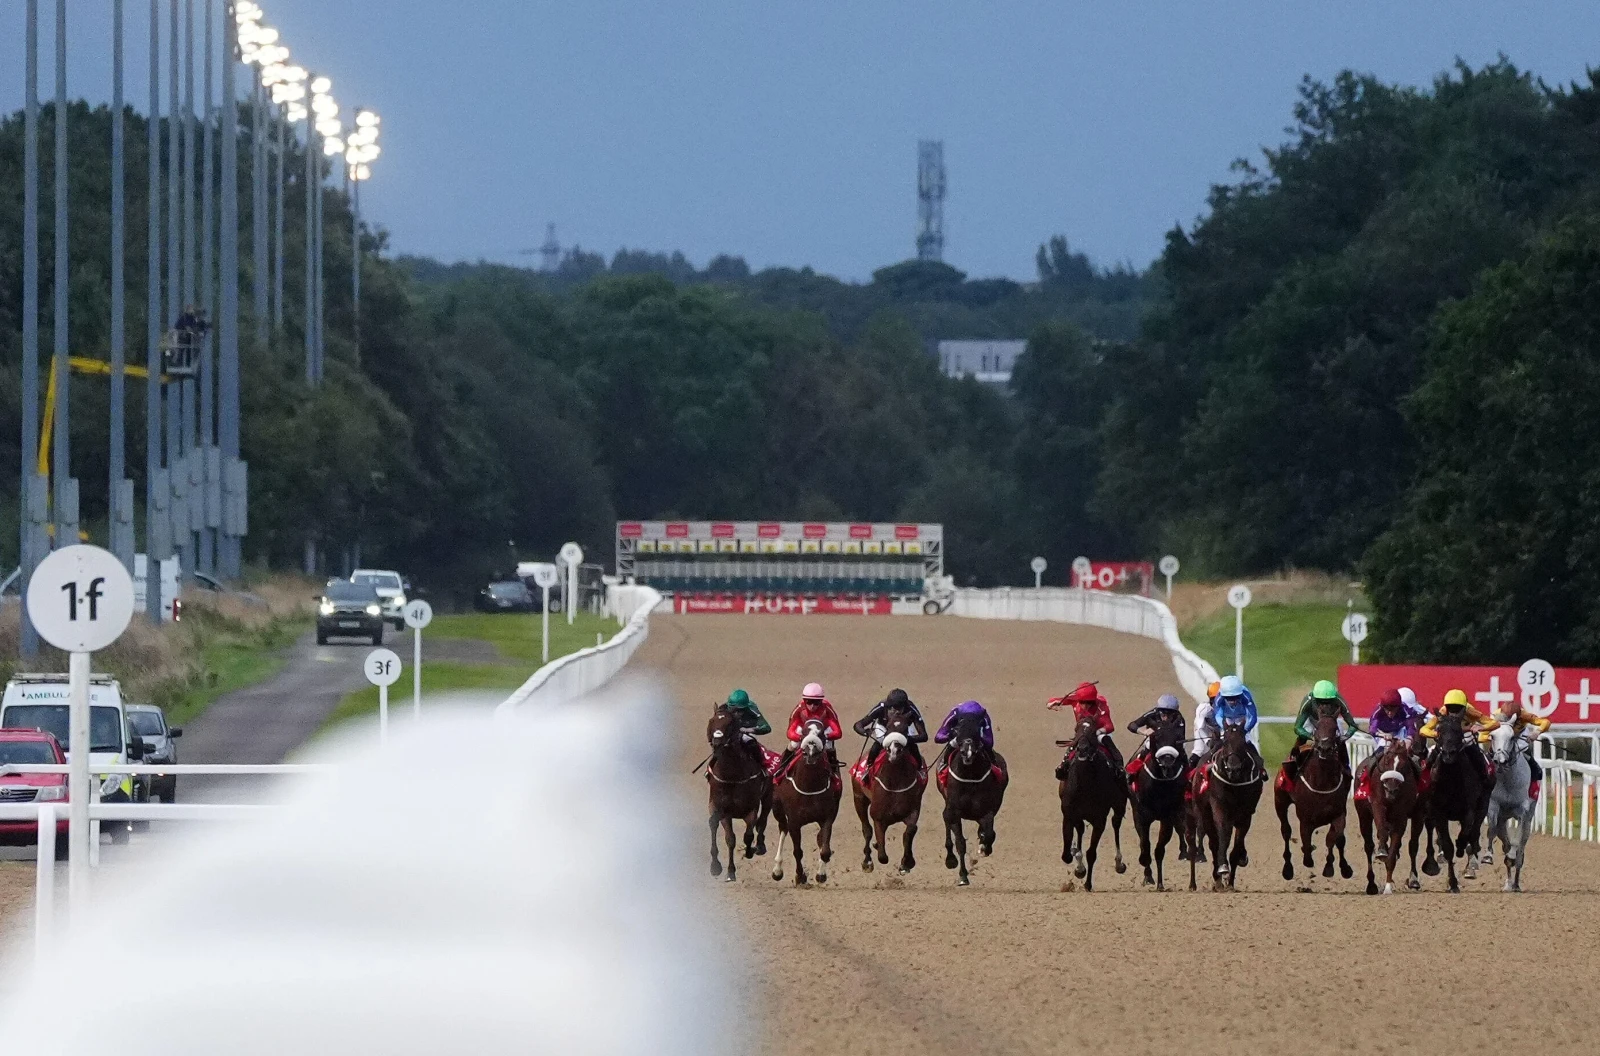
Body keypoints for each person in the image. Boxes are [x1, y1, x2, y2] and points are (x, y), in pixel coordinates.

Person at [1419, 689, 1498, 784]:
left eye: (1458, 709)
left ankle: (1484, 779)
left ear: (1464, 708)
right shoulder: (1443, 711)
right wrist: (1437, 734)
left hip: (1466, 738)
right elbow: (1423, 730)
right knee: (1434, 754)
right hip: (1448, 738)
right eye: (1451, 709)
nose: (1454, 713)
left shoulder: (1471, 711)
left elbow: (1495, 723)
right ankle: (1424, 780)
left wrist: (1481, 727)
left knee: (1476, 755)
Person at [1048, 681, 1123, 780]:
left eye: (1089, 702)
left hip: (1100, 732)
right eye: (1082, 702)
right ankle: (1063, 766)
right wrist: (1052, 703)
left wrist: (1096, 732)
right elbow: (1055, 700)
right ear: (1079, 699)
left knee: (1108, 743)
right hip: (1083, 732)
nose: (1085, 705)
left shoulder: (1101, 707)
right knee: (1072, 748)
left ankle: (1120, 768)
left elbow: (1109, 726)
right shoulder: (1075, 699)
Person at [1284, 680, 1360, 778]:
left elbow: (1353, 725)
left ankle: (1345, 768)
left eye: (1329, 701)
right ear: (1315, 698)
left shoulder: (1339, 700)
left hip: (1331, 722)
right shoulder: (1308, 701)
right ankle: (1292, 762)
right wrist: (1311, 736)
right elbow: (1298, 727)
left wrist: (1345, 737)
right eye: (1320, 701)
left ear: (1334, 698)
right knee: (1302, 737)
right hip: (1312, 721)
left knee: (1339, 739)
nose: (1325, 705)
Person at [1487, 697, 1551, 797]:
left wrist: (1536, 732)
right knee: (1491, 753)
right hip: (1503, 738)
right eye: (1506, 718)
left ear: (1518, 716)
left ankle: (1533, 791)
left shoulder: (1525, 715)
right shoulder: (1495, 716)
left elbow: (1546, 722)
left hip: (1519, 736)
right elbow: (1485, 732)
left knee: (1535, 767)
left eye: (1512, 719)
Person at [776, 682, 843, 775]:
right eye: (809, 702)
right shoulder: (799, 709)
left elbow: (838, 732)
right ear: (804, 700)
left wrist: (825, 736)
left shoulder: (827, 708)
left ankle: (834, 770)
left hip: (821, 733)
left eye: (816, 703)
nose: (812, 706)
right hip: (804, 732)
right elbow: (790, 732)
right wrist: (800, 737)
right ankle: (781, 767)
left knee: (828, 745)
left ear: (821, 701)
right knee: (794, 744)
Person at [1208, 675, 1265, 781]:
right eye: (1229, 698)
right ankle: (1209, 763)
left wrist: (1244, 730)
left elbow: (1252, 716)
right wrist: (1225, 728)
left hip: (1242, 719)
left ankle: (1260, 768)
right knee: (1222, 741)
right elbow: (1218, 715)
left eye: (1235, 697)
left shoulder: (1246, 696)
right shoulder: (1219, 697)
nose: (1232, 701)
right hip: (1227, 719)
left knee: (1247, 742)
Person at [853, 688, 928, 769]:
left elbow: (924, 736)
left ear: (905, 706)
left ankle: (920, 769)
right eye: (892, 708)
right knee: (876, 747)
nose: (895, 711)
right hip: (884, 729)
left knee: (913, 748)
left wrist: (906, 739)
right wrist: (864, 732)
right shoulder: (881, 707)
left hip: (904, 730)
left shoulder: (911, 709)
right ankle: (868, 767)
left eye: (899, 709)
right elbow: (859, 724)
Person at [721, 688, 781, 776]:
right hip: (728, 734)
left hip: (742, 734)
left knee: (751, 743)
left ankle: (761, 767)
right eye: (734, 710)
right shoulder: (722, 710)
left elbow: (766, 727)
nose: (737, 713)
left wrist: (748, 730)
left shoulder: (752, 709)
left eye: (740, 710)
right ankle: (711, 768)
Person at [1125, 694, 1187, 778]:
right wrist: (1144, 732)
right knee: (1146, 749)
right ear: (1158, 710)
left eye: (1169, 714)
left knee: (1183, 755)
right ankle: (1131, 775)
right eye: (1163, 714)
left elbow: (1181, 737)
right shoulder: (1152, 714)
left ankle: (1188, 776)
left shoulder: (1179, 718)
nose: (1166, 717)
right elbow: (1132, 725)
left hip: (1172, 742)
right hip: (1154, 741)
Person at [1192, 680, 1222, 766]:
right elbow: (1200, 729)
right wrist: (1208, 742)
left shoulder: (1229, 710)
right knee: (1199, 751)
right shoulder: (1203, 710)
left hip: (1221, 731)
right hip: (1204, 731)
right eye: (1214, 700)